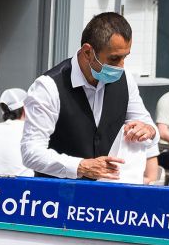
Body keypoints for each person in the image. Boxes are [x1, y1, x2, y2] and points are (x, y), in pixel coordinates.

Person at [20, 11, 156, 180]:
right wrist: (80, 166)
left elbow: (149, 125)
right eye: (114, 59)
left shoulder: (126, 80)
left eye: (125, 57)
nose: (121, 66)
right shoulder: (48, 87)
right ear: (87, 52)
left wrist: (148, 130)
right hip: (58, 199)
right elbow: (31, 152)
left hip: (106, 196)